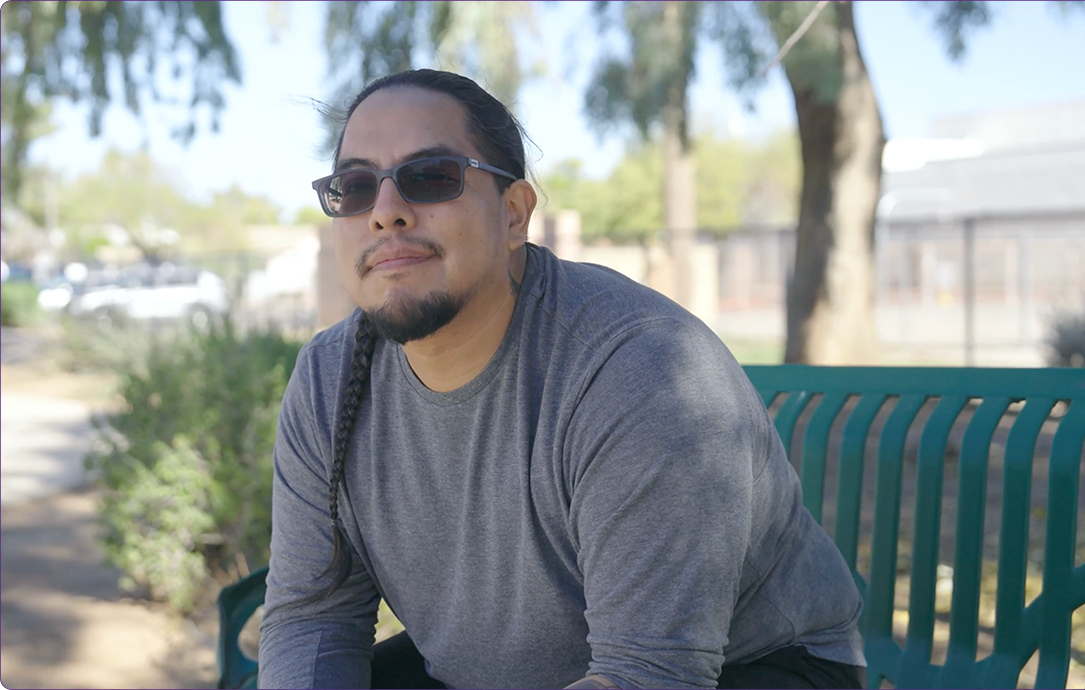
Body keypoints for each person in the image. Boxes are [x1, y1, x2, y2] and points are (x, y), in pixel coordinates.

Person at [258, 68, 867, 690]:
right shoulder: (328, 381)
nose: (386, 213)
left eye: (431, 177)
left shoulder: (639, 372)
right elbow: (313, 619)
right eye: (355, 187)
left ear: (514, 214)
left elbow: (648, 674)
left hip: (743, 668)